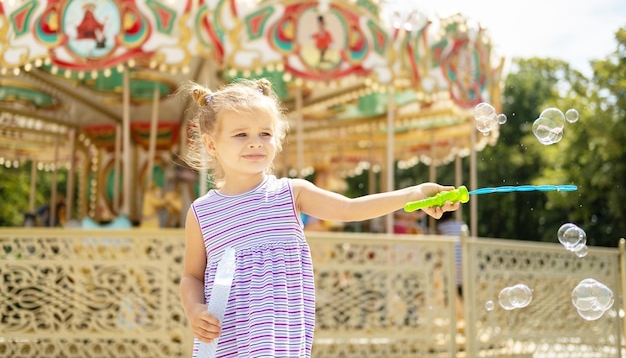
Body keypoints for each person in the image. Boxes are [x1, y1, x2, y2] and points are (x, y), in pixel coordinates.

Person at [178, 78, 460, 358]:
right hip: (227, 337)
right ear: (211, 145)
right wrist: (194, 309)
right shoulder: (203, 213)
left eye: (265, 134)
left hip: (280, 341)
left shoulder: (290, 193)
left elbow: (351, 209)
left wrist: (414, 193)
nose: (256, 143)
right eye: (241, 135)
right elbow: (192, 276)